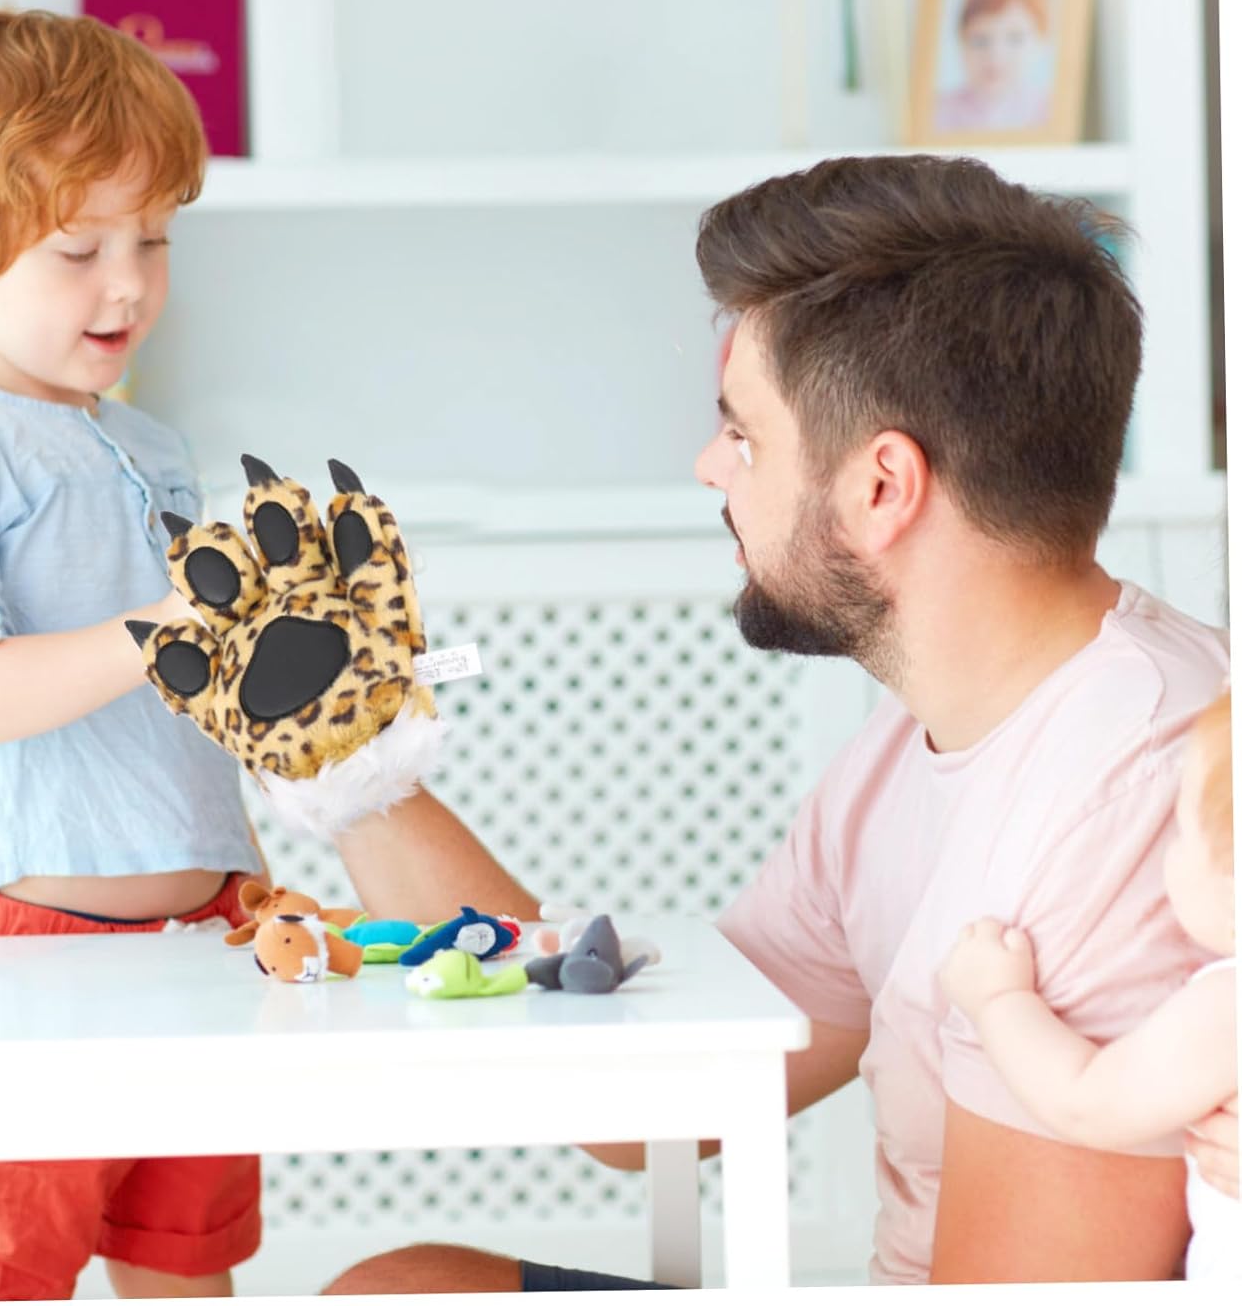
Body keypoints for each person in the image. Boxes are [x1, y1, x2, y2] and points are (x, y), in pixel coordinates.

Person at [284, 154, 1239, 1289]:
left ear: (881, 488)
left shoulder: (1138, 787)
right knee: (403, 1288)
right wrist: (355, 765)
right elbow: (650, 1109)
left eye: (743, 436)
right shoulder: (915, 745)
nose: (708, 468)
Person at [0, 9, 268, 1301]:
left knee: (184, 1264)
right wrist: (167, 628)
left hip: (205, 931)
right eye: (79, 249)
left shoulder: (153, 447)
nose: (128, 285)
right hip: (20, 951)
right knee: (7, 1277)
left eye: (154, 238)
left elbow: (201, 688)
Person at [939, 688, 1238, 1281]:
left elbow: (1087, 1103)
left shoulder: (1228, 1005)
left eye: (1180, 831)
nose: (1168, 853)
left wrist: (1000, 1000)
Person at [934, 0, 1053, 132]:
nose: (995, 55)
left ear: (1041, 40)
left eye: (1015, 38)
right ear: (962, 41)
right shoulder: (939, 111)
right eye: (980, 40)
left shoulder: (1048, 110)